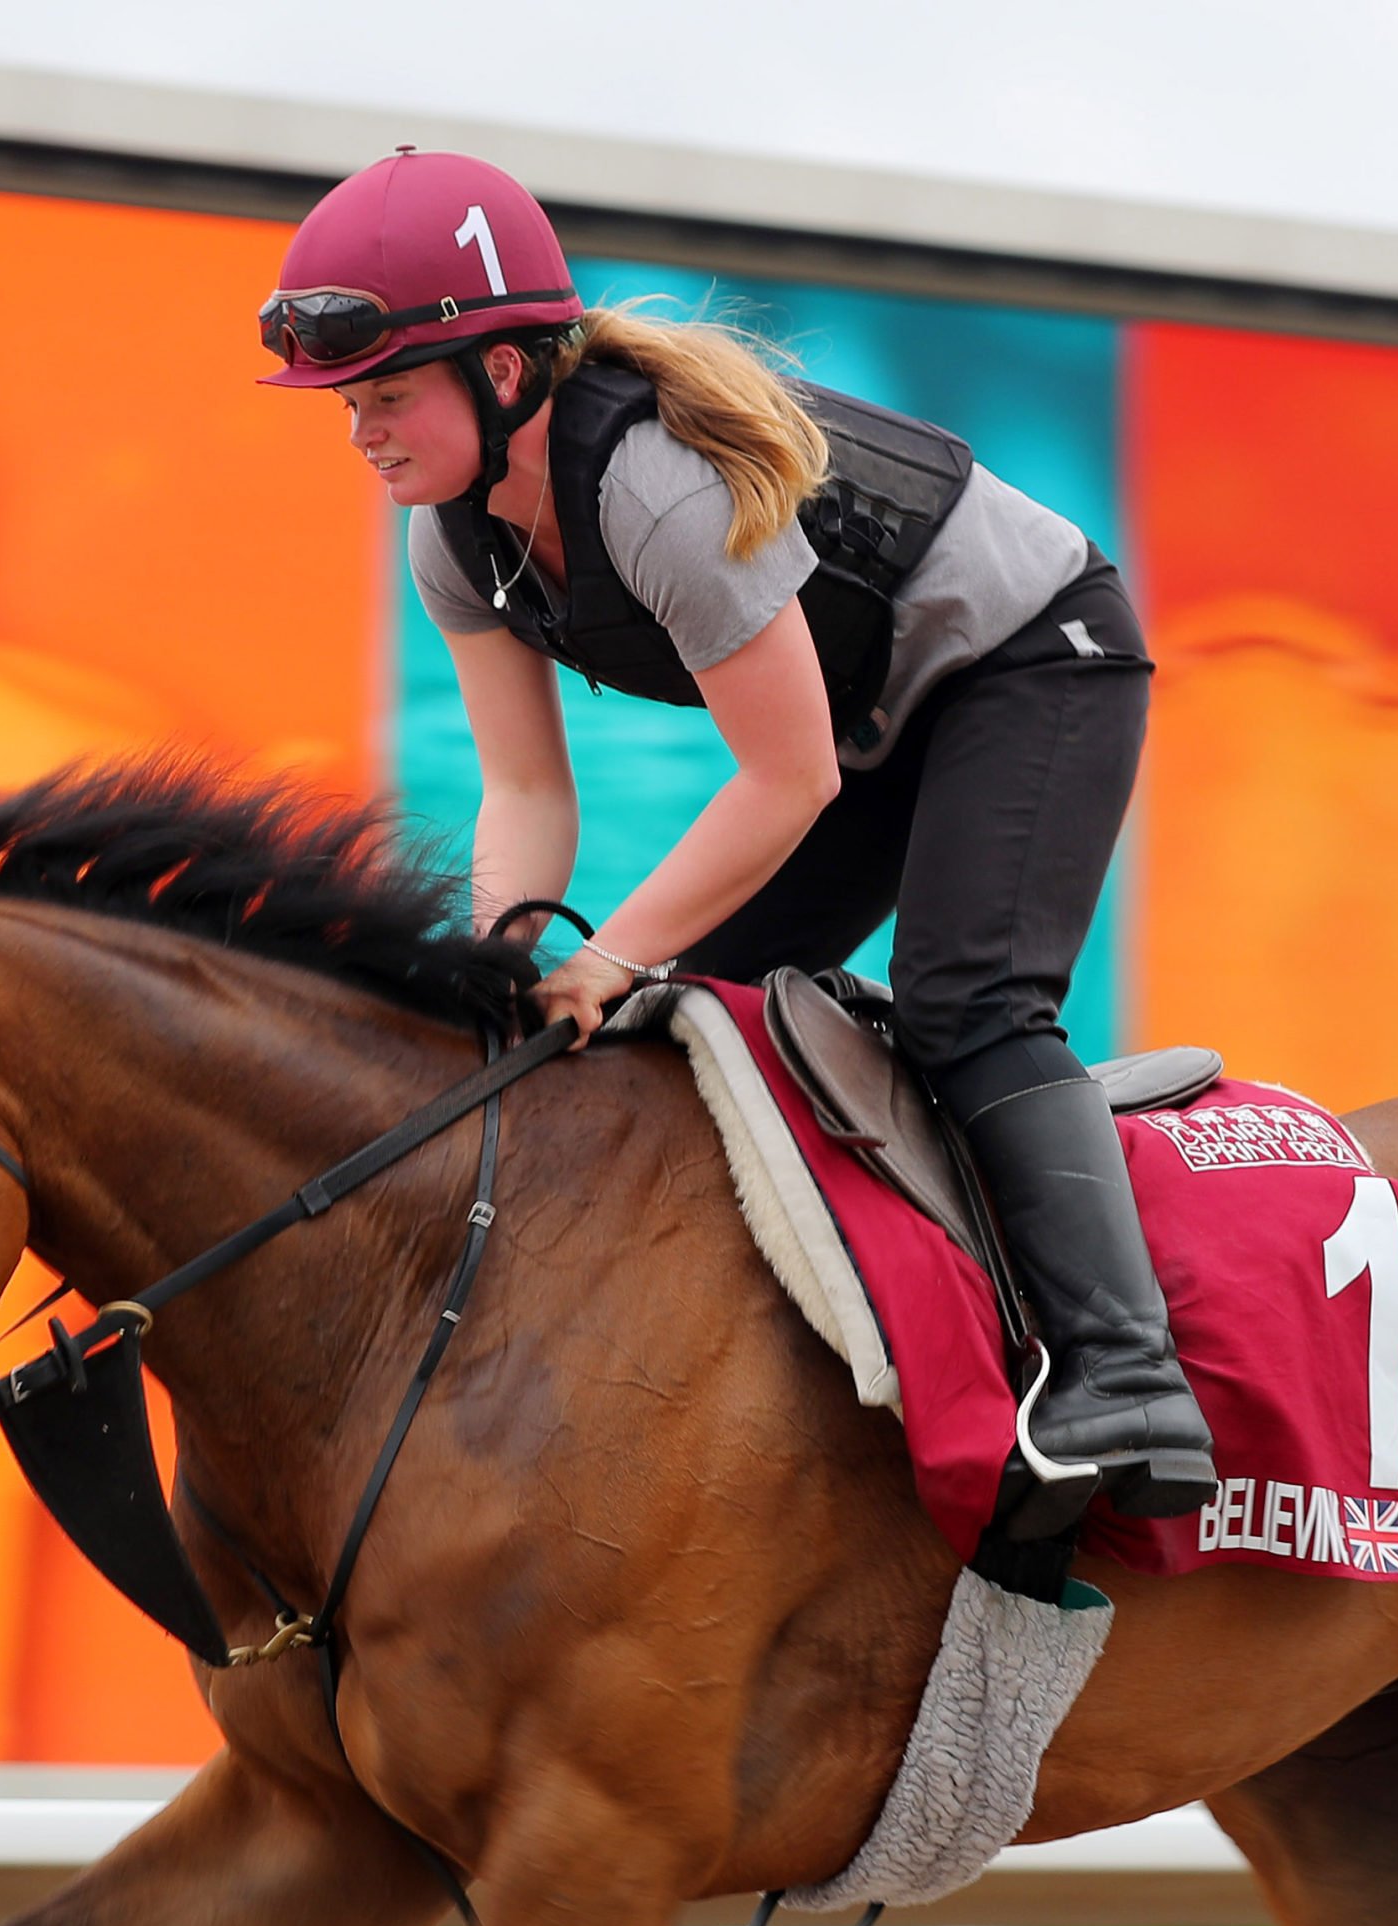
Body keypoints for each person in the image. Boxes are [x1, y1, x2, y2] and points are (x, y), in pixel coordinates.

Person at [259, 148, 1213, 1525]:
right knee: (677, 1023)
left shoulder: (655, 489)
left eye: (387, 396)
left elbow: (787, 778)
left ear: (507, 375)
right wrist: (509, 964)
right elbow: (526, 796)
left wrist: (614, 957)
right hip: (864, 725)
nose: (363, 435)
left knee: (969, 1004)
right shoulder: (447, 542)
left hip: (1027, 657)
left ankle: (1124, 1379)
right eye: (348, 406)